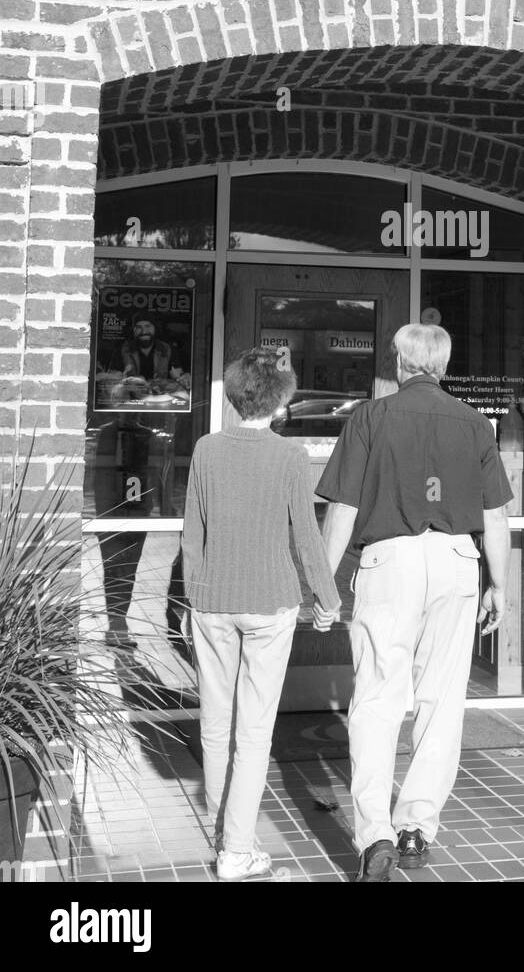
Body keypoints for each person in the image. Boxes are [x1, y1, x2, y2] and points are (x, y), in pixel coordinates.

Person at [315, 322, 513, 883]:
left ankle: (374, 831)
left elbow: (344, 509)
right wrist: (502, 586)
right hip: (456, 562)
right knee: (442, 699)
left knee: (377, 698)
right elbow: (496, 516)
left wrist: (323, 584)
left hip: (389, 560)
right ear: (444, 367)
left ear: (400, 365)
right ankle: (415, 828)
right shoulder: (475, 423)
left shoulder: (370, 418)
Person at [182, 346, 341, 882]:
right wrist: (328, 597)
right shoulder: (290, 457)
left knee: (215, 721)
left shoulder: (206, 449)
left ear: (233, 395)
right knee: (253, 732)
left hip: (212, 599)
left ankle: (221, 823)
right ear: (279, 404)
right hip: (270, 604)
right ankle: (236, 849)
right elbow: (306, 537)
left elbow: (192, 533)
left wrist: (191, 594)